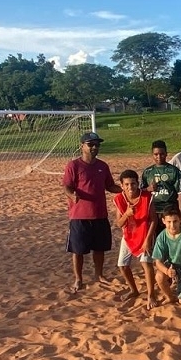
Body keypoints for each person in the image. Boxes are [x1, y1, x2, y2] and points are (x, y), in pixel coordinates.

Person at [62, 132, 122, 293]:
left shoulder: (103, 166)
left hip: (100, 214)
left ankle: (99, 275)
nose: (95, 147)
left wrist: (125, 190)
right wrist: (72, 195)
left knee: (100, 248)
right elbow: (67, 186)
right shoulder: (73, 166)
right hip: (79, 215)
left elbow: (110, 186)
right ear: (82, 146)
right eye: (91, 144)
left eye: (97, 144)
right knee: (78, 250)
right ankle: (78, 279)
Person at [113, 169, 158, 309]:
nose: (130, 187)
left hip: (145, 233)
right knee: (122, 265)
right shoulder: (119, 199)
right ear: (121, 186)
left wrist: (148, 240)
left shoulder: (146, 197)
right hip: (129, 234)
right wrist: (126, 214)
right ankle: (133, 290)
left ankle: (151, 294)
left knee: (146, 263)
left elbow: (154, 220)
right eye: (126, 184)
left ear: (137, 184)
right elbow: (118, 223)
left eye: (133, 183)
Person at [152, 205, 181, 304]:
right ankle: (170, 297)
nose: (172, 225)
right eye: (169, 222)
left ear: (180, 219)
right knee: (159, 277)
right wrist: (167, 271)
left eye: (175, 221)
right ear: (163, 221)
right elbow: (158, 261)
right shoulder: (161, 237)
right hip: (171, 267)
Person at [141, 140, 181, 230]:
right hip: (153, 211)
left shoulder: (174, 171)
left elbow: (180, 194)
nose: (159, 157)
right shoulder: (147, 172)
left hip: (169, 210)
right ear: (152, 154)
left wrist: (180, 213)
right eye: (156, 154)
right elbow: (140, 193)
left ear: (166, 153)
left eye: (162, 154)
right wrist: (148, 189)